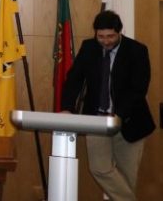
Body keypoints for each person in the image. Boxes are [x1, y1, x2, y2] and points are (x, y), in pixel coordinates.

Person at [60, 10, 155, 201]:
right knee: (99, 168)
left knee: (127, 177)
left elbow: (139, 88)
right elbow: (74, 79)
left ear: (119, 32)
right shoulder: (89, 48)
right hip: (96, 120)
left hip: (129, 121)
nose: (105, 41)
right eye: (101, 36)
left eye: (110, 36)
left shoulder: (137, 50)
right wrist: (68, 107)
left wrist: (119, 113)